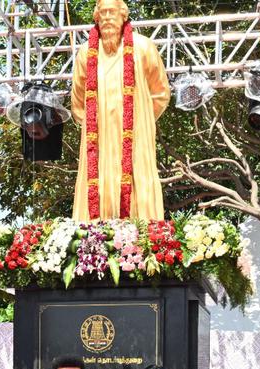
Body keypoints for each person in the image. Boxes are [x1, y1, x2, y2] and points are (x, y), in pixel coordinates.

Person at [70, 0, 169, 222]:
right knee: (99, 186)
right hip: (99, 140)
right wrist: (96, 124)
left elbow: (161, 93)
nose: (106, 17)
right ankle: (93, 241)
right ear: (96, 17)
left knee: (138, 187)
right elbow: (77, 102)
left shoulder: (143, 47)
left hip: (135, 140)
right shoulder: (86, 54)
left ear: (123, 16)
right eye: (102, 13)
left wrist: (140, 122)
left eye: (111, 12)